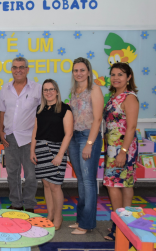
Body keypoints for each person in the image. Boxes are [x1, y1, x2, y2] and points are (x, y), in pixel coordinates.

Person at [0, 57, 42, 213]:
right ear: (11, 70)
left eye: (22, 67)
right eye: (15, 67)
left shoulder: (37, 88)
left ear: (27, 69)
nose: (18, 70)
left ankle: (29, 204)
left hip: (30, 139)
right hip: (9, 138)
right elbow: (2, 111)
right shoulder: (5, 88)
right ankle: (16, 203)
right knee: (12, 173)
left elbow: (42, 113)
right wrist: (1, 131)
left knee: (30, 174)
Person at [30, 79, 73, 231]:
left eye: (51, 89)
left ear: (57, 91)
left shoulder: (65, 109)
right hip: (41, 150)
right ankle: (50, 214)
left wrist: (60, 155)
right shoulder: (39, 109)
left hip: (56, 150)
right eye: (45, 90)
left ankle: (59, 216)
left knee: (55, 185)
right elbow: (35, 131)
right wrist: (32, 150)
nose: (48, 92)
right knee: (46, 185)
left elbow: (68, 134)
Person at [68, 57, 104, 235]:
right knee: (81, 180)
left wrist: (89, 143)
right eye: (76, 70)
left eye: (82, 70)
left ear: (89, 72)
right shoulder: (74, 91)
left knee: (89, 182)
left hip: (88, 137)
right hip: (74, 138)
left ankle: (87, 224)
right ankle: (81, 220)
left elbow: (98, 118)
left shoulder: (94, 89)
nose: (79, 73)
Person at [103, 63, 139, 241]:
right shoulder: (112, 97)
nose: (116, 77)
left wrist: (123, 151)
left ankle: (120, 227)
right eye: (113, 74)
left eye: (121, 74)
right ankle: (124, 226)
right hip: (112, 149)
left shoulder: (130, 97)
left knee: (117, 185)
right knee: (120, 185)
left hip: (123, 148)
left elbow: (131, 127)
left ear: (129, 77)